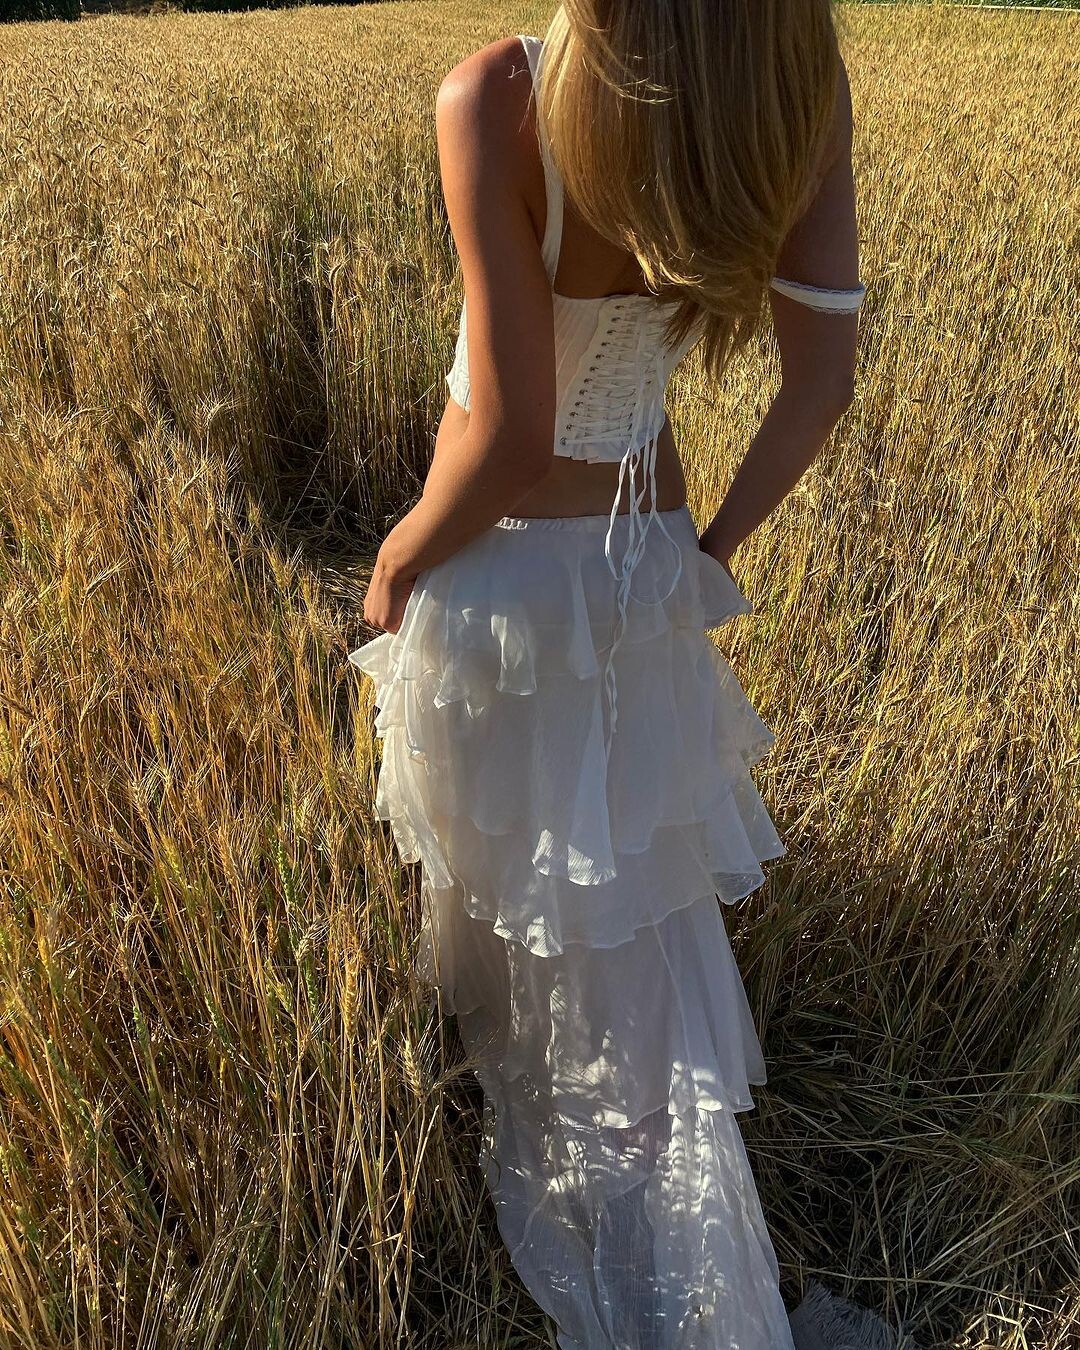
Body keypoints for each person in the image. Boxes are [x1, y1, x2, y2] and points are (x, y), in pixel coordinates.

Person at [350, 3, 863, 1345]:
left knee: (535, 904)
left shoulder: (501, 96)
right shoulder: (791, 80)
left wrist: (396, 560)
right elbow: (822, 379)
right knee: (629, 920)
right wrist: (706, 550)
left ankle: (615, 1214)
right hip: (641, 564)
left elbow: (514, 433)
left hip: (505, 579)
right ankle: (655, 1199)